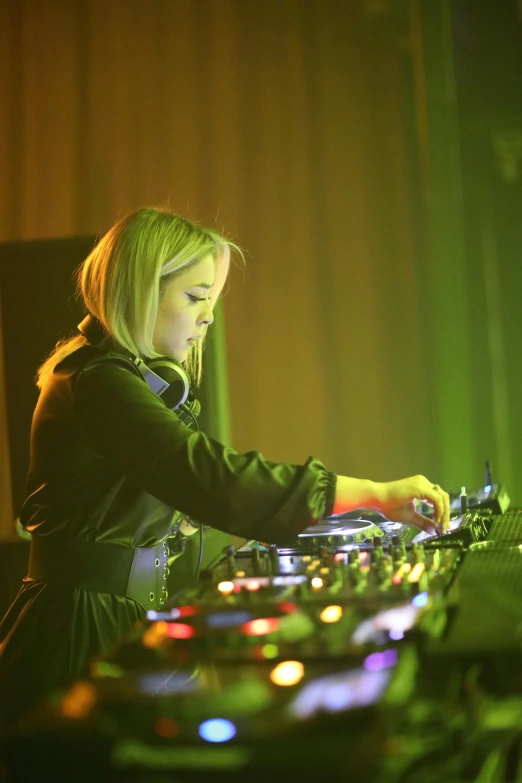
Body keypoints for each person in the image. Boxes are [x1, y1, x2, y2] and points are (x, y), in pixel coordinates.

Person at [0, 206, 449, 727]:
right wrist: (372, 492)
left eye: (211, 302)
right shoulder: (97, 382)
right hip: (82, 628)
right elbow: (211, 477)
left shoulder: (115, 380)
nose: (208, 317)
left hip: (120, 616)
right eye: (195, 298)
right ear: (142, 289)